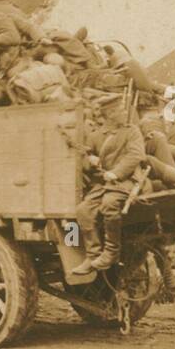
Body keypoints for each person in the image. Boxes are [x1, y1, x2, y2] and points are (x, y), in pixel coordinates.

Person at [71, 113, 146, 274]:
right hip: (104, 183)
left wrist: (116, 173)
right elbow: (83, 160)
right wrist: (90, 160)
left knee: (109, 203)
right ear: (108, 115)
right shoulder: (95, 135)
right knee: (83, 210)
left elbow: (136, 155)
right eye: (116, 112)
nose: (122, 115)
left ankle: (111, 251)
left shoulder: (131, 131)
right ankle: (93, 255)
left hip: (127, 179)